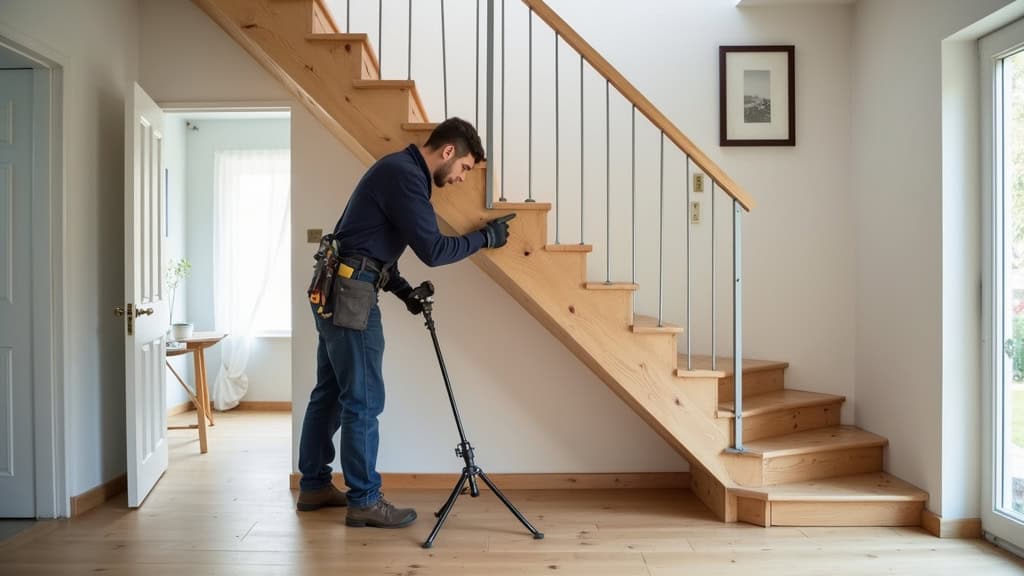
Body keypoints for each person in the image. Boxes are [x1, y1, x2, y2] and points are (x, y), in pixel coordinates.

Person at [296, 117, 513, 529]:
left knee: (329, 391)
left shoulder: (397, 170)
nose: (462, 178)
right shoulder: (405, 176)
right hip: (351, 297)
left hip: (336, 286)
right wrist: (485, 239)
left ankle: (314, 484)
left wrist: (402, 290)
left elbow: (367, 244)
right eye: (465, 168)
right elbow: (433, 249)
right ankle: (364, 500)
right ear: (448, 152)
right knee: (362, 400)